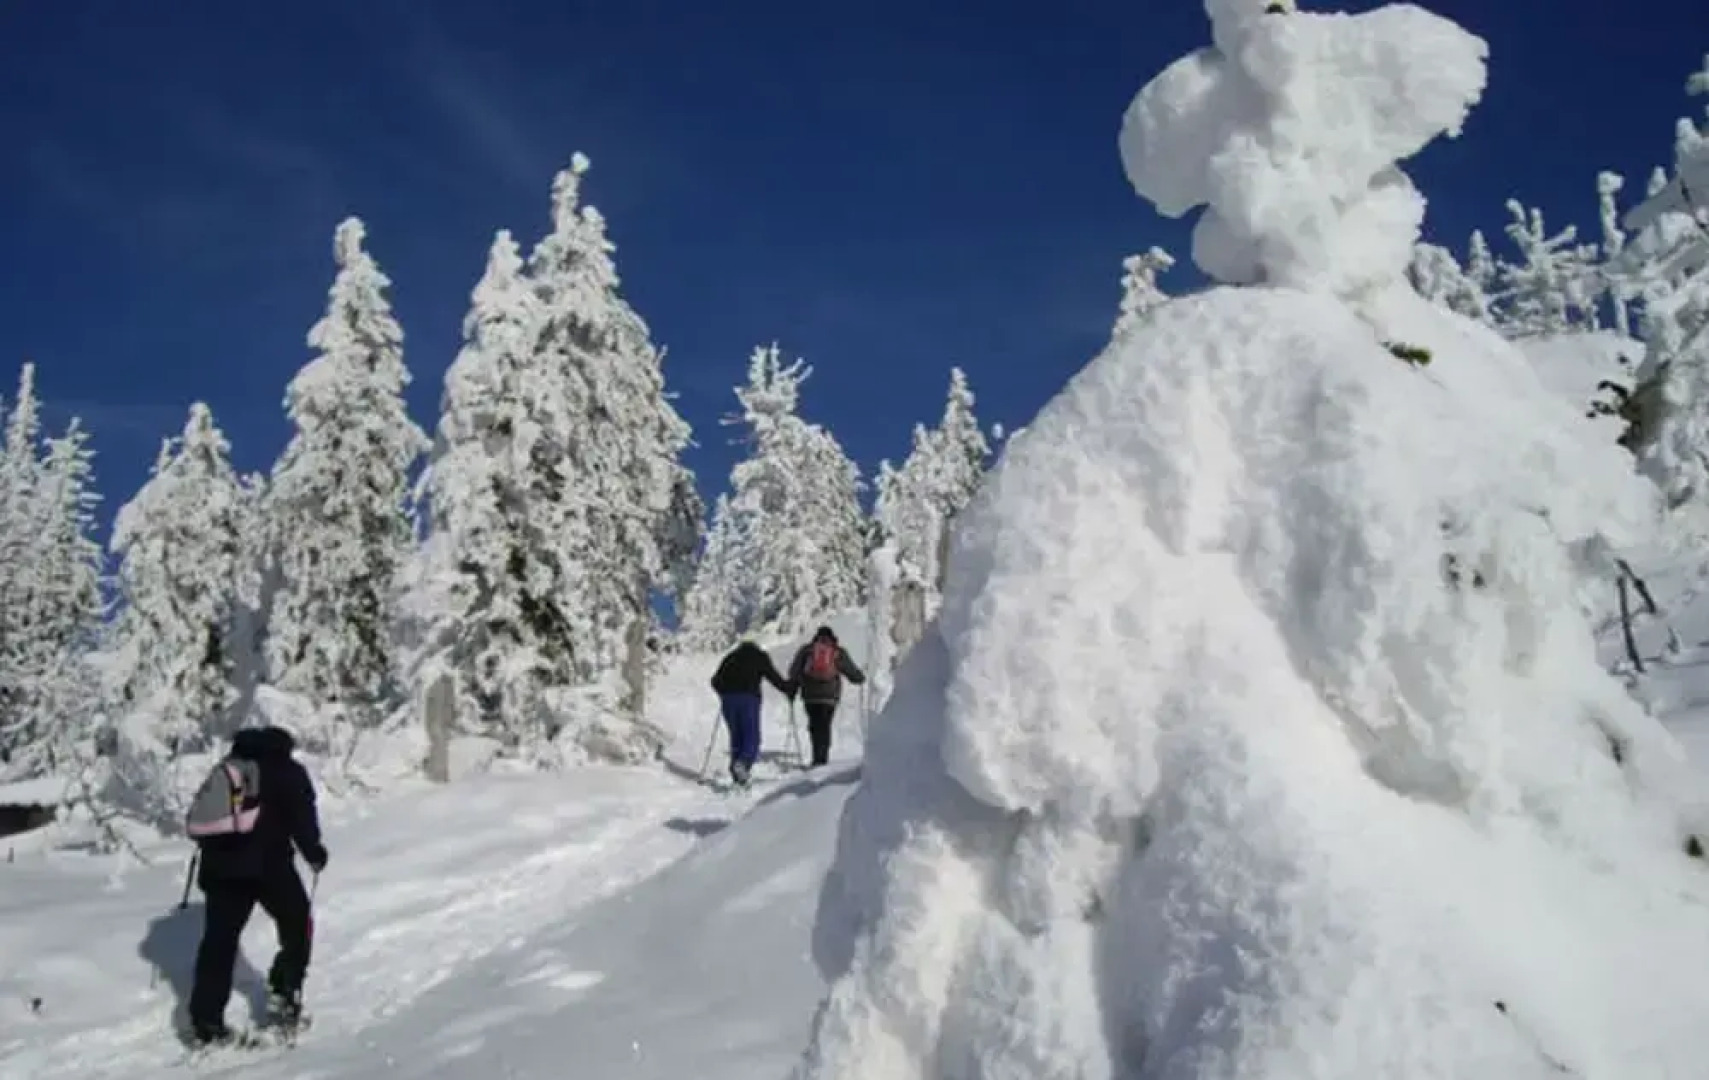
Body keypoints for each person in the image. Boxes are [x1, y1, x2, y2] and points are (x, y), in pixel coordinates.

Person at [186, 726, 327, 1047]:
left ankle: (206, 1023)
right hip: (270, 869)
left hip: (221, 870)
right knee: (297, 926)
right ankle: (283, 995)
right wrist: (315, 854)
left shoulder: (229, 766)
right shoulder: (289, 772)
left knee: (219, 944)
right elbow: (303, 821)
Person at [709, 640, 792, 786]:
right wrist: (788, 689)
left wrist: (724, 693)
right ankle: (743, 763)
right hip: (748, 698)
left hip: (728, 701)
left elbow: (715, 681)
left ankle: (738, 775)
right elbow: (772, 676)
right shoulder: (759, 656)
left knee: (737, 737)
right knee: (751, 736)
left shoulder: (731, 657)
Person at [787, 626, 867, 768]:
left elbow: (794, 671)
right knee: (825, 725)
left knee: (814, 725)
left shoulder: (807, 650)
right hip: (829, 696)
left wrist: (793, 689)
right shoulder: (837, 652)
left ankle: (817, 757)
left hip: (810, 696)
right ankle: (822, 759)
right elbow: (851, 672)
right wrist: (860, 677)